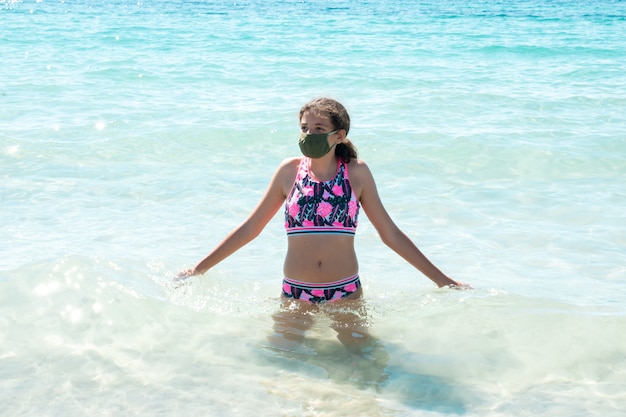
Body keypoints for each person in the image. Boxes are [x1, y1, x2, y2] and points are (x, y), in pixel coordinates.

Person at [178, 97, 467, 346]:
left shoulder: (356, 173)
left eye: (318, 129)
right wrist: (198, 269)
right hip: (295, 292)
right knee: (283, 361)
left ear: (339, 135)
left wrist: (444, 282)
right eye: (304, 128)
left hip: (345, 291)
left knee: (362, 362)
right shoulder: (288, 172)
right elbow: (250, 228)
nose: (308, 134)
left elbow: (390, 234)